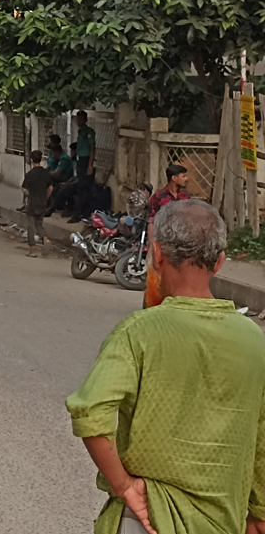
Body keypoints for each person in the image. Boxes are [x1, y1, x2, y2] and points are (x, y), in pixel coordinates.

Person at [66, 200, 265, 534]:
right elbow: (261, 435)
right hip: (223, 521)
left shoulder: (138, 332)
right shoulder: (253, 339)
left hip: (147, 520)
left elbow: (89, 413)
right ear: (219, 262)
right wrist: (258, 510)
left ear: (156, 255)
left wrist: (124, 486)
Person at [21, 150, 54, 257]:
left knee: (31, 226)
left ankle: (32, 251)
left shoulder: (30, 174)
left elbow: (24, 189)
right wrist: (46, 197)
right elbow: (51, 188)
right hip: (42, 202)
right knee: (39, 224)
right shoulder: (46, 173)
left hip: (32, 203)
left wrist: (28, 195)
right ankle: (46, 239)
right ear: (40, 160)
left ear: (31, 160)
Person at [146, 164, 190, 240]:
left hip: (181, 240)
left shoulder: (185, 198)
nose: (187, 179)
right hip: (163, 239)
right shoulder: (158, 197)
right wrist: (152, 247)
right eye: (183, 176)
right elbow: (151, 223)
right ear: (174, 178)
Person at [69, 111, 97, 223]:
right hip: (80, 160)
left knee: (84, 189)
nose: (78, 121)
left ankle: (82, 214)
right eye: (77, 119)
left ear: (85, 120)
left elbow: (92, 148)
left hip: (86, 161)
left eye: (81, 119)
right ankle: (81, 213)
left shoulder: (89, 132)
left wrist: (90, 165)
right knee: (81, 188)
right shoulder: (80, 132)